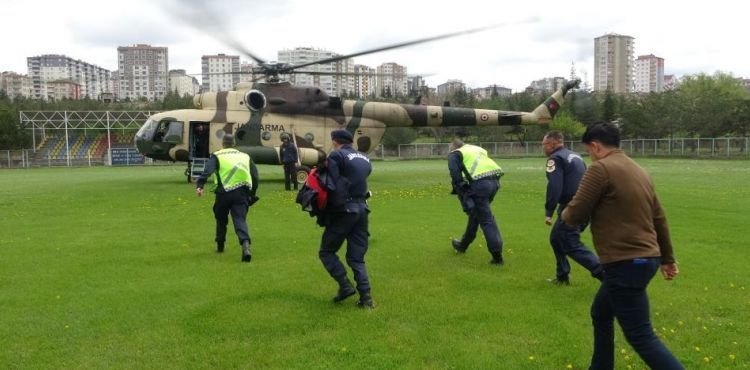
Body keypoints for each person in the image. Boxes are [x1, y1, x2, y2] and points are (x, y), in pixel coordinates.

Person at [561, 122, 683, 369]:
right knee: (601, 313)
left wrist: (564, 213)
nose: (590, 156)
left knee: (641, 336)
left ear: (595, 146)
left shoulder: (600, 169)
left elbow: (575, 214)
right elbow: (659, 217)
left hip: (625, 262)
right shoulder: (640, 171)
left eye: (588, 151)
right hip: (645, 259)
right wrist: (667, 258)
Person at [318, 129, 374, 308]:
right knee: (356, 257)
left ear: (335, 141)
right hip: (362, 209)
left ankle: (345, 285)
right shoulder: (365, 158)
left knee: (326, 251)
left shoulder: (336, 156)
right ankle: (366, 298)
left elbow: (332, 183)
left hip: (344, 210)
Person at [542, 131, 602, 285]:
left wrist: (549, 211)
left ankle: (607, 277)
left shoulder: (555, 158)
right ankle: (562, 276)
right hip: (586, 203)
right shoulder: (575, 156)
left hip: (573, 207)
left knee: (569, 242)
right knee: (556, 238)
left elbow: (555, 186)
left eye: (544, 144)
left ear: (552, 144)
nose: (543, 148)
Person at [196, 134, 260, 263]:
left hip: (223, 193)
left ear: (223, 143)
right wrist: (252, 193)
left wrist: (200, 185)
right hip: (241, 193)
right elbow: (255, 176)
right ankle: (245, 245)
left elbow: (208, 170)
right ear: (234, 143)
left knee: (221, 219)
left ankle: (220, 245)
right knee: (239, 220)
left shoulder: (217, 155)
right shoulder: (245, 156)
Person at [448, 138, 504, 265]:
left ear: (452, 148)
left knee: (486, 219)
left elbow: (455, 174)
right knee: (476, 215)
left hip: (480, 185)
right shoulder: (477, 149)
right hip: (495, 182)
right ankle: (462, 245)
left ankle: (497, 256)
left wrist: (464, 190)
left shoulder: (455, 154)